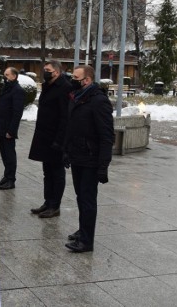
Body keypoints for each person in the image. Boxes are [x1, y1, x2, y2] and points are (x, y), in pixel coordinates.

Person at [63, 65, 114, 253]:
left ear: (87, 80)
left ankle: (86, 241)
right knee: (80, 197)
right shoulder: (77, 97)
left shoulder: (98, 101)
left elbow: (107, 135)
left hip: (91, 159)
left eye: (76, 77)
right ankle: (83, 230)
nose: (72, 80)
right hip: (77, 156)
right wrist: (66, 151)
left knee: (87, 199)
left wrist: (103, 165)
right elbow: (72, 127)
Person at [28, 59, 71, 218]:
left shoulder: (64, 87)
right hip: (45, 136)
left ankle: (55, 205)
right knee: (47, 172)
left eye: (48, 70)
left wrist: (60, 141)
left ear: (57, 72)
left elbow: (65, 117)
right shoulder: (48, 86)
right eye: (44, 69)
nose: (45, 72)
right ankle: (47, 202)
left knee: (57, 172)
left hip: (56, 139)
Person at [0, 67, 25, 190]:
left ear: (14, 76)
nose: (5, 77)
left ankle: (11, 179)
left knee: (9, 154)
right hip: (1, 126)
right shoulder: (7, 88)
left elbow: (17, 112)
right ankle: (6, 176)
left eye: (7, 75)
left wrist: (12, 130)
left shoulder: (17, 90)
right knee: (4, 153)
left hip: (8, 128)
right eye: (4, 74)